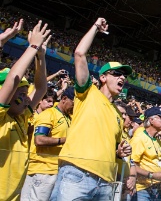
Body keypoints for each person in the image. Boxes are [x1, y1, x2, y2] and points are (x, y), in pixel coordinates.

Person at [51, 18, 132, 201]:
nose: (122, 78)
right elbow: (79, 53)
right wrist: (96, 28)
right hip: (77, 174)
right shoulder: (88, 92)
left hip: (106, 182)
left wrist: (119, 153)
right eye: (117, 74)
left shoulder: (119, 114)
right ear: (103, 77)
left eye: (124, 76)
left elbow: (113, 149)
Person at [0, 20, 50, 201]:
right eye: (21, 93)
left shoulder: (20, 117)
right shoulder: (1, 117)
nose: (27, 98)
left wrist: (41, 56)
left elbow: (41, 88)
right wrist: (33, 46)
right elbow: (13, 78)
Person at [21, 87, 75, 201]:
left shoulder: (69, 117)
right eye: (73, 103)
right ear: (64, 98)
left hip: (56, 171)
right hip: (42, 171)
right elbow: (39, 140)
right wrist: (64, 140)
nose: (74, 107)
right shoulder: (49, 114)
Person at [130, 107, 161, 200]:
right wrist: (152, 175)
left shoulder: (157, 140)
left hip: (156, 188)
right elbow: (131, 164)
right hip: (142, 188)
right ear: (151, 120)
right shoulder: (139, 138)